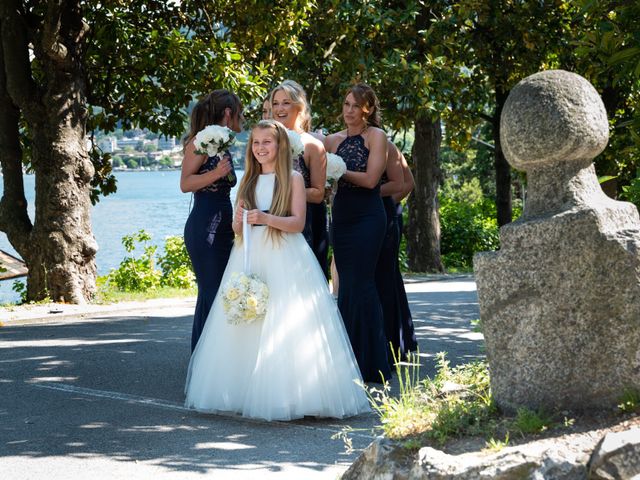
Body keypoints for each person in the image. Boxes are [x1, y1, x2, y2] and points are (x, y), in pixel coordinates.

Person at [184, 120, 369, 421]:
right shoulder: (247, 180)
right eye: (255, 143)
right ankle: (244, 388)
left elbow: (296, 223)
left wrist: (264, 217)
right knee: (248, 319)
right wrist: (239, 221)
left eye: (266, 142)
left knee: (284, 319)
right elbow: (238, 226)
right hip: (250, 253)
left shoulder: (293, 178)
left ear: (280, 146)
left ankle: (292, 393)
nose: (260, 148)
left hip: (285, 255)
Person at [324, 83, 391, 383]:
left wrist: (337, 170)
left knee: (362, 283)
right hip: (342, 216)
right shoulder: (332, 140)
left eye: (355, 105)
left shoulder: (377, 137)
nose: (348, 110)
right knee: (345, 286)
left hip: (368, 216)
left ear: (368, 109)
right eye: (346, 104)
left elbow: (371, 180)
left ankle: (372, 363)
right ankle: (345, 359)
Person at [180, 90, 243, 352]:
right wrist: (216, 173)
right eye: (240, 112)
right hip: (205, 225)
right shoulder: (201, 141)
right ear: (228, 114)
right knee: (212, 293)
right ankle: (204, 360)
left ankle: (219, 360)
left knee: (221, 294)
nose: (243, 119)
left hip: (222, 224)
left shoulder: (221, 142)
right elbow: (185, 183)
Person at [270, 80, 329, 277]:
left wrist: (286, 192)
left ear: (299, 106)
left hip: (304, 224)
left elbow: (319, 194)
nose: (279, 109)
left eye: (286, 103)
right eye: (275, 103)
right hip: (269, 220)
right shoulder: (266, 142)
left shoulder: (313, 145)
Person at [376, 140, 417, 362]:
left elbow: (408, 183)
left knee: (388, 277)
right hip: (362, 217)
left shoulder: (387, 146)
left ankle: (395, 342)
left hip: (387, 214)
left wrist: (383, 204)